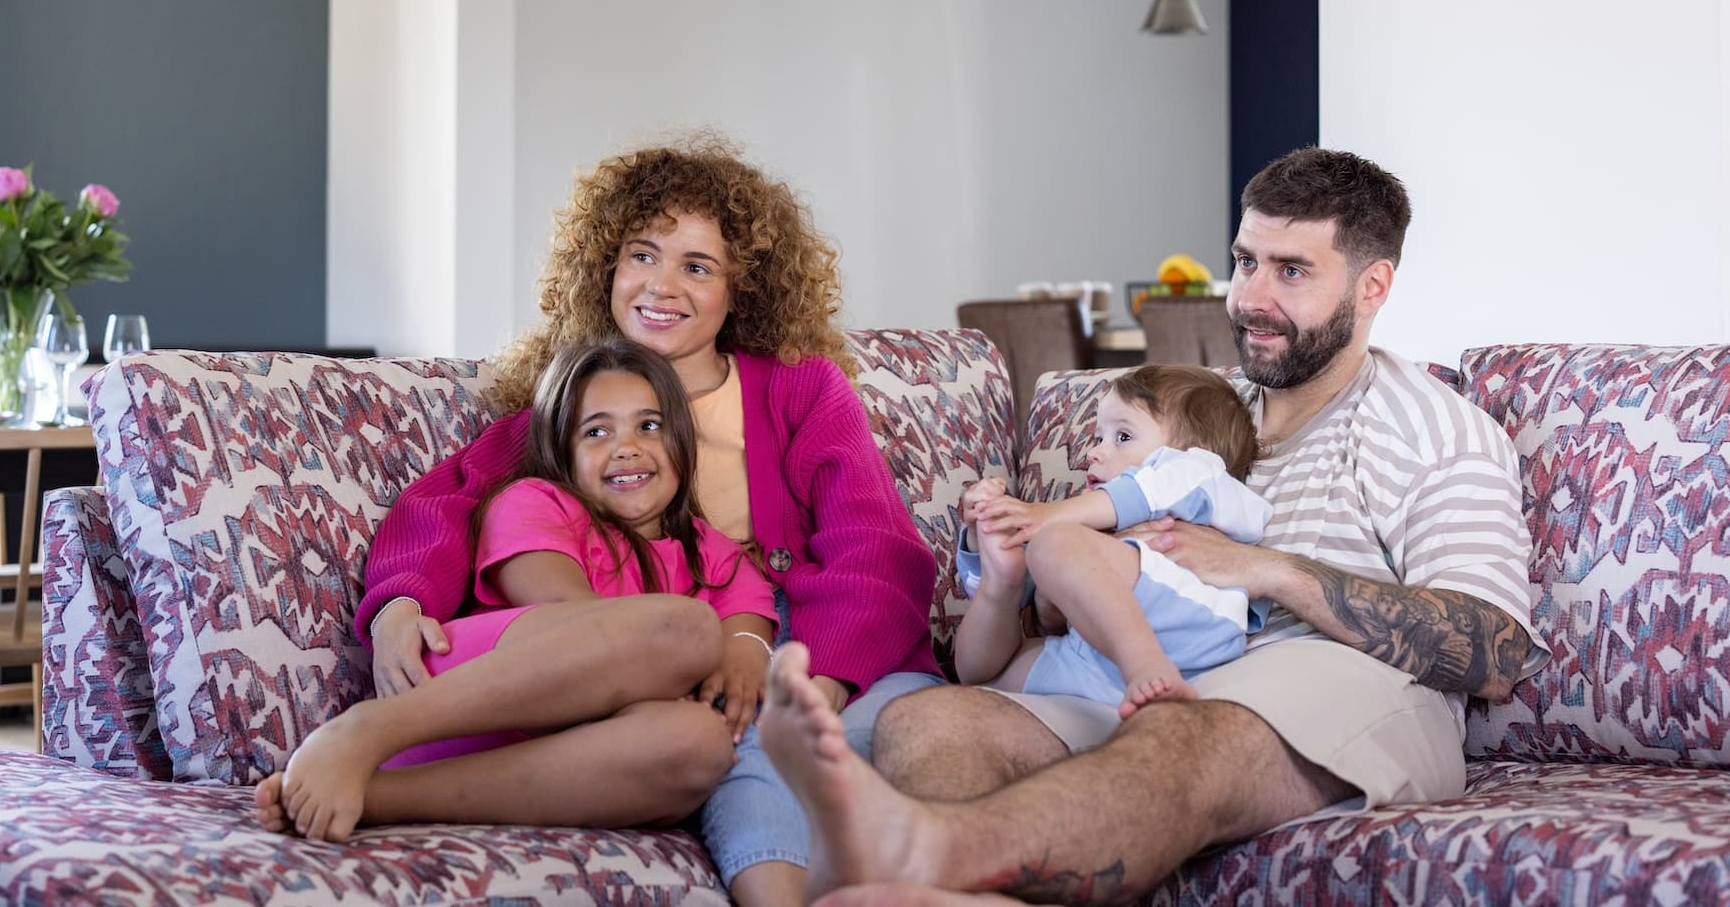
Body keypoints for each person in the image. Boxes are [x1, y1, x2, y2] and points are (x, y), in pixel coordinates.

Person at [757, 147, 1545, 904]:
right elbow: (1065, 594)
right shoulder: (1191, 408)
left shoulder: (1432, 428)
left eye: (1292, 271)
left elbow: (1494, 651)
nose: (1251, 298)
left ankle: (927, 853)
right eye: (1245, 262)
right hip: (1152, 671)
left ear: (1373, 287)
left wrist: (1265, 569)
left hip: (1334, 685)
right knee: (932, 721)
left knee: (1184, 734)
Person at [353, 137, 941, 906]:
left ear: (743, 289)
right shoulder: (573, 407)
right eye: (643, 255)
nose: (663, 285)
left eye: (697, 266)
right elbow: (444, 504)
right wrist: (402, 601)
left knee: (768, 746)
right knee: (729, 741)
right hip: (655, 646)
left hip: (806, 639)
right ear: (607, 267)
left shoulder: (800, 390)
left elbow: (874, 548)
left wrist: (818, 682)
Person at [256, 338, 776, 841]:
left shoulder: (713, 553)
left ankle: (376, 798)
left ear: (683, 440)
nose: (628, 448)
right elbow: (566, 613)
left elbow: (747, 632)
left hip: (561, 753)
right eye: (596, 432)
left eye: (650, 425)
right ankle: (367, 728)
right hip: (467, 702)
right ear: (561, 451)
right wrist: (675, 665)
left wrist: (745, 655)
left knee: (703, 743)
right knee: (685, 630)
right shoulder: (535, 502)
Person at [954, 364, 1267, 717]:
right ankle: (1003, 583)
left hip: (1184, 631)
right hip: (1097, 662)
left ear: (1198, 449)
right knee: (983, 678)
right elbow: (978, 668)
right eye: (1098, 437)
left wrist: (1045, 517)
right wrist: (990, 537)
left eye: (1122, 437)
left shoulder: (1201, 474)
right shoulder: (1089, 531)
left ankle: (1147, 668)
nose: (1095, 452)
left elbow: (1143, 492)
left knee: (1053, 544)